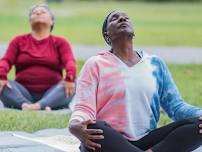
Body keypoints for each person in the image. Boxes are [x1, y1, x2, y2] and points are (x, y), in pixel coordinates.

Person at [68, 10, 202, 152]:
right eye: (115, 18)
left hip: (147, 139)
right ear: (107, 35)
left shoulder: (155, 63)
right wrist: (74, 125)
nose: (122, 19)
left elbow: (176, 107)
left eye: (126, 18)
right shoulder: (95, 63)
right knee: (93, 127)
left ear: (134, 31)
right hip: (109, 141)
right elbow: (84, 109)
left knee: (198, 124)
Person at [0, 4, 76, 111]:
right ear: (30, 21)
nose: (38, 13)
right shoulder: (18, 41)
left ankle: (37, 106)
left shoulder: (60, 42)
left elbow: (70, 62)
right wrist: (1, 75)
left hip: (53, 92)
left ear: (52, 21)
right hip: (22, 91)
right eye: (35, 13)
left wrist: (70, 77)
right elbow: (6, 61)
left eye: (43, 12)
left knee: (75, 83)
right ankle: (26, 104)